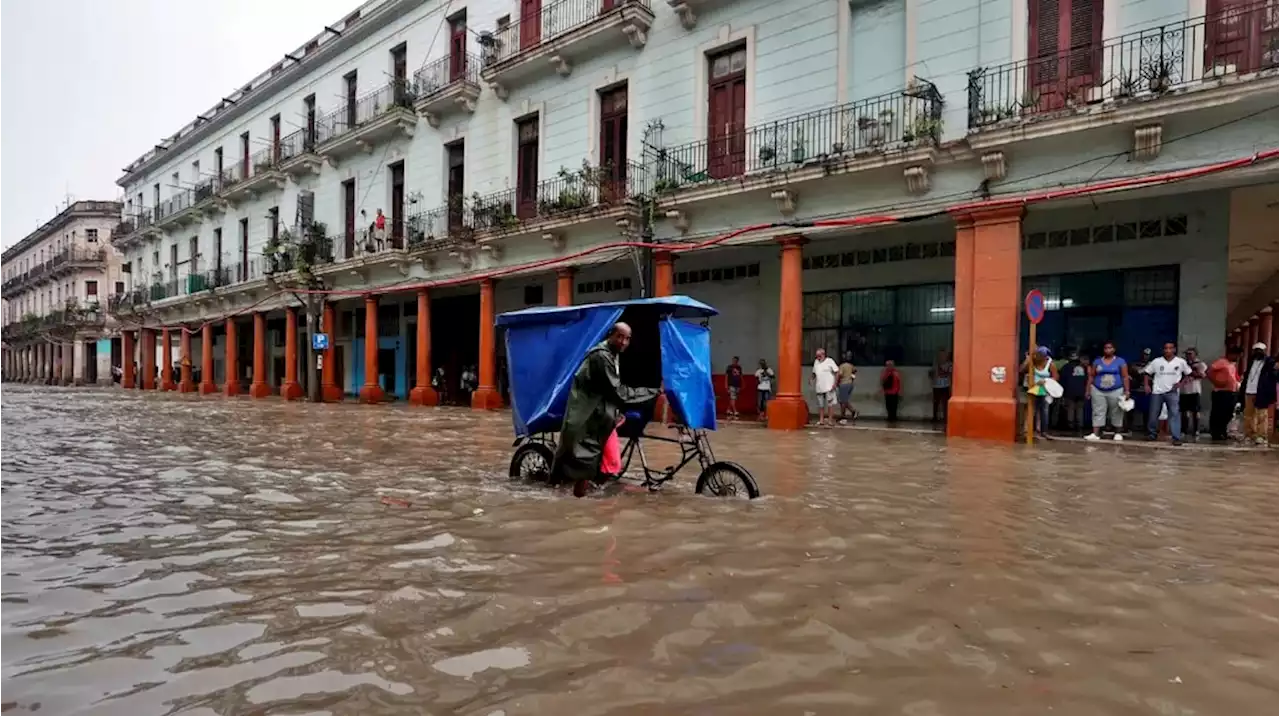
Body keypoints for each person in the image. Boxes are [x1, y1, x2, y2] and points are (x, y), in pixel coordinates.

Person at [551, 322, 660, 498]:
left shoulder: (612, 354)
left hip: (603, 415)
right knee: (593, 463)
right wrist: (651, 392)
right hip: (589, 418)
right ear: (610, 335)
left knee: (605, 464)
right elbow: (618, 392)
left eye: (627, 339)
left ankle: (585, 495)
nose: (623, 342)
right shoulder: (601, 357)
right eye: (620, 336)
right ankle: (580, 499)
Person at [1143, 341, 1191, 445]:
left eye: (1170, 348)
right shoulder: (1156, 361)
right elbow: (1147, 373)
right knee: (1153, 414)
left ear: (1174, 349)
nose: (1168, 350)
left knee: (1174, 414)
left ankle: (1176, 437)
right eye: (1166, 348)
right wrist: (1147, 385)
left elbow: (1188, 374)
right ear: (1163, 350)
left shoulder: (1180, 362)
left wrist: (1181, 384)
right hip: (1157, 391)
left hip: (1172, 392)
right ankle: (1152, 434)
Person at [1239, 342, 1278, 445]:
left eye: (1260, 350)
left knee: (1262, 415)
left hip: (1261, 391)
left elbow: (1273, 375)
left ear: (1264, 351)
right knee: (1248, 414)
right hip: (1249, 391)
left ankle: (1261, 436)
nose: (1258, 352)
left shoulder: (1269, 363)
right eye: (1256, 350)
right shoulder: (1251, 362)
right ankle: (1249, 434)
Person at [1206, 345, 1242, 441]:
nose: (1238, 358)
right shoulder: (1222, 362)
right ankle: (1216, 432)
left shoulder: (1232, 365)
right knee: (1218, 413)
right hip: (1221, 392)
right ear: (1232, 354)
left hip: (1231, 392)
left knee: (1228, 413)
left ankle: (1222, 430)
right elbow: (1209, 371)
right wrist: (1216, 381)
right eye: (1237, 356)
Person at [1023, 346, 1059, 438]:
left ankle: (1044, 431)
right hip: (1033, 388)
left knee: (1044, 410)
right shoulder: (1032, 363)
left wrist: (1045, 380)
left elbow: (1056, 377)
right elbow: (1021, 370)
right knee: (1031, 409)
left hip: (1045, 388)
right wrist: (1027, 360)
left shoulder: (1050, 364)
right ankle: (1027, 430)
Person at [1179, 348, 1207, 440]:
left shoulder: (1200, 364)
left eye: (1190, 354)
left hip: (1194, 390)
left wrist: (1191, 371)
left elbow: (1202, 375)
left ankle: (1196, 430)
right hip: (1184, 390)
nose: (1188, 356)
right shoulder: (1182, 364)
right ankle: (1184, 430)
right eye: (1186, 354)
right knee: (1184, 412)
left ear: (1195, 354)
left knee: (1196, 411)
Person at [1059, 351, 1089, 434]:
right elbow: (1087, 379)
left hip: (1070, 391)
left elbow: (1062, 380)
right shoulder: (1083, 367)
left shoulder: (1065, 367)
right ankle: (1079, 426)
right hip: (1081, 391)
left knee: (1070, 408)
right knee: (1080, 409)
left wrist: (1062, 392)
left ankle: (1070, 426)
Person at [810, 348, 840, 427]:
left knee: (830, 404)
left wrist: (835, 384)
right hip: (819, 387)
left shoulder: (829, 361)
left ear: (823, 355)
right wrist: (811, 379)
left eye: (819, 356)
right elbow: (814, 373)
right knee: (821, 405)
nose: (818, 358)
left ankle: (830, 421)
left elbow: (837, 372)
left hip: (829, 387)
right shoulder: (816, 362)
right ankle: (821, 420)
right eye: (817, 356)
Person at [929, 349, 952, 423]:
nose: (941, 357)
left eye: (943, 355)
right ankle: (935, 417)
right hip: (936, 386)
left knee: (945, 404)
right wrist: (931, 374)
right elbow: (931, 374)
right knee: (936, 403)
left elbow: (950, 374)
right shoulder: (935, 364)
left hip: (945, 386)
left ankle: (946, 418)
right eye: (939, 355)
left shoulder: (949, 364)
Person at [837, 352, 858, 424]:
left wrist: (836, 383)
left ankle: (849, 413)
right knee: (843, 400)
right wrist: (851, 378)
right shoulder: (851, 365)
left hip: (844, 384)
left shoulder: (842, 366)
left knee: (843, 401)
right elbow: (855, 371)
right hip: (850, 384)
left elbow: (839, 375)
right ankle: (846, 414)